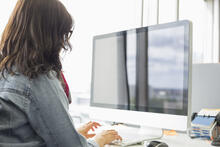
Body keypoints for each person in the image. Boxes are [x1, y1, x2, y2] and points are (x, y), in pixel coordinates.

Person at [0, 0, 122, 147]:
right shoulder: (35, 78)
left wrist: (72, 133)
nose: (63, 43)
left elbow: (20, 134)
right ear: (50, 35)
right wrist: (98, 140)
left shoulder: (7, 71)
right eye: (63, 34)